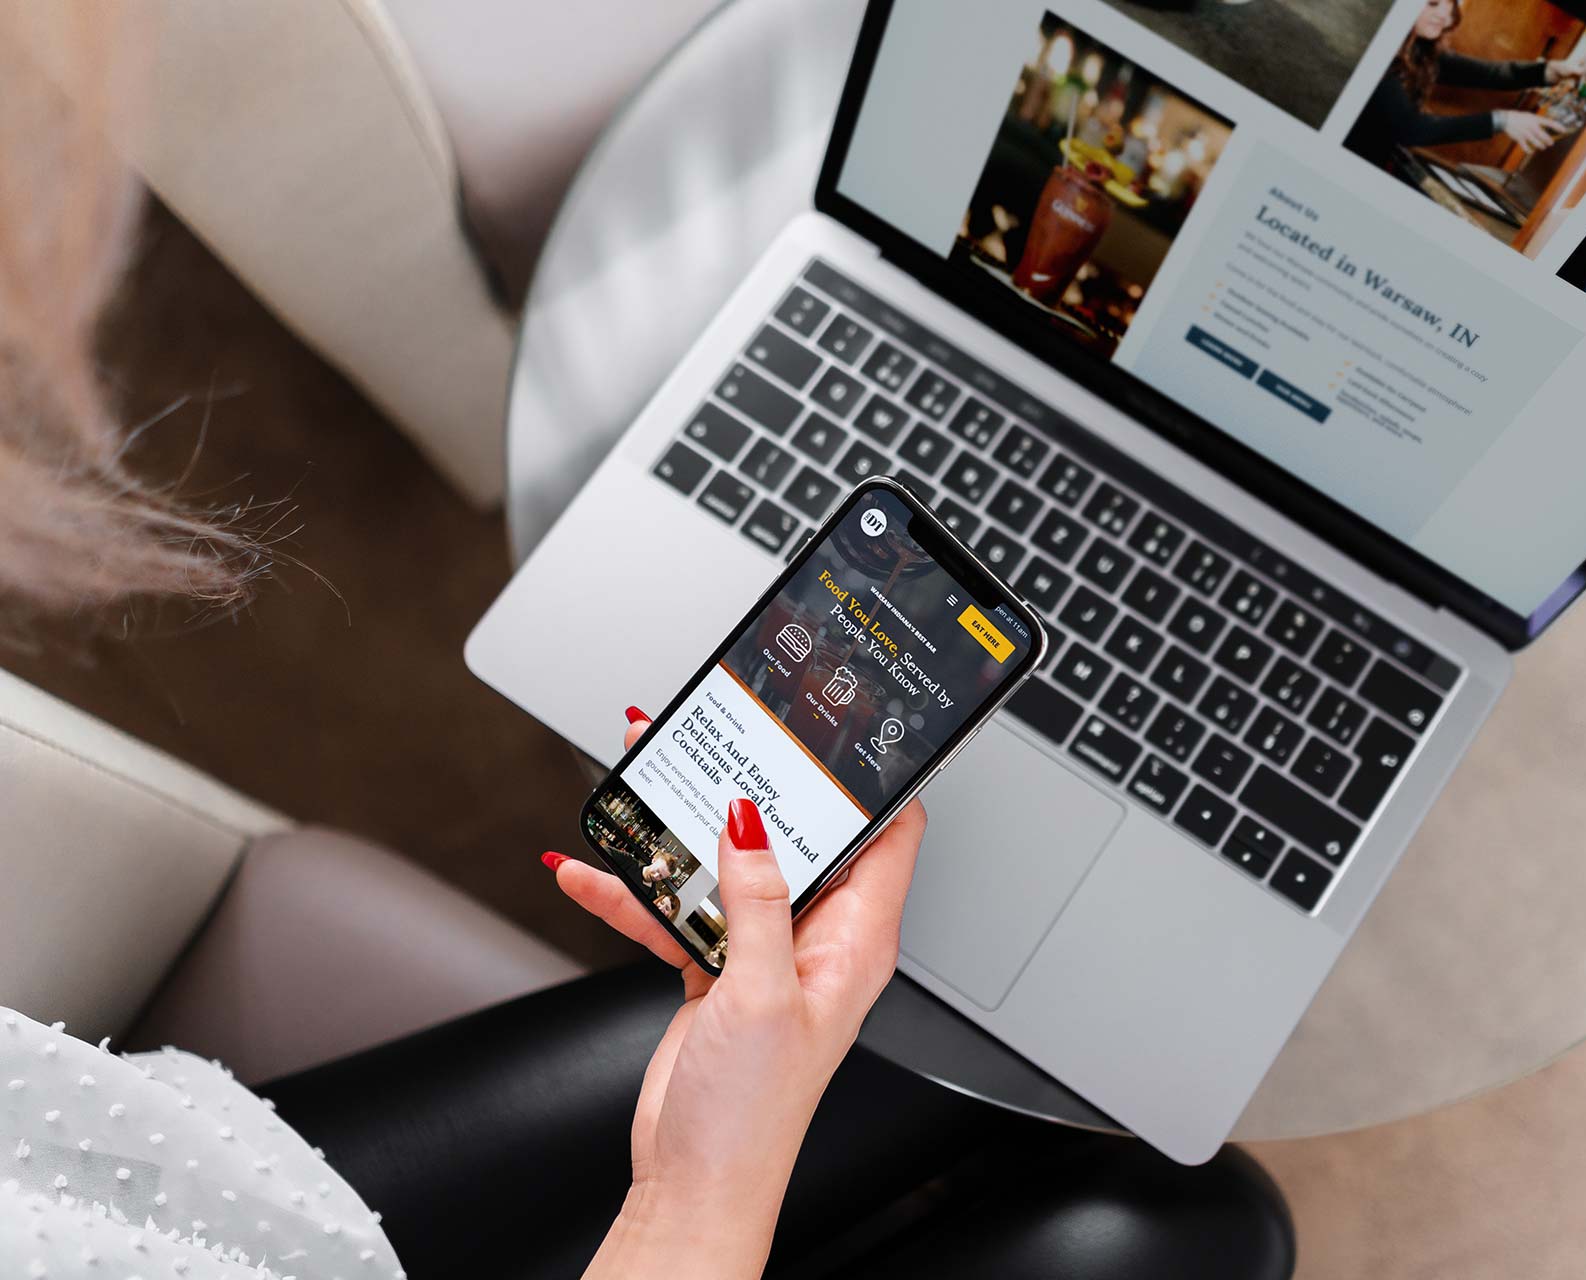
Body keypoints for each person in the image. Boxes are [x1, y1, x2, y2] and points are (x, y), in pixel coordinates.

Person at [0, 12, 1293, 1278]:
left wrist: (714, 1162)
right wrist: (699, 1194)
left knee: (1097, 1142)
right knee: (1195, 1217)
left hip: (175, 1201)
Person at [1348, 0, 1585, 176]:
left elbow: (1491, 74)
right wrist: (1502, 120)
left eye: (1449, 5)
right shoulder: (1377, 51)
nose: (1444, 15)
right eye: (1432, 3)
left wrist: (1550, 70)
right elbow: (1411, 128)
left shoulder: (1420, 51)